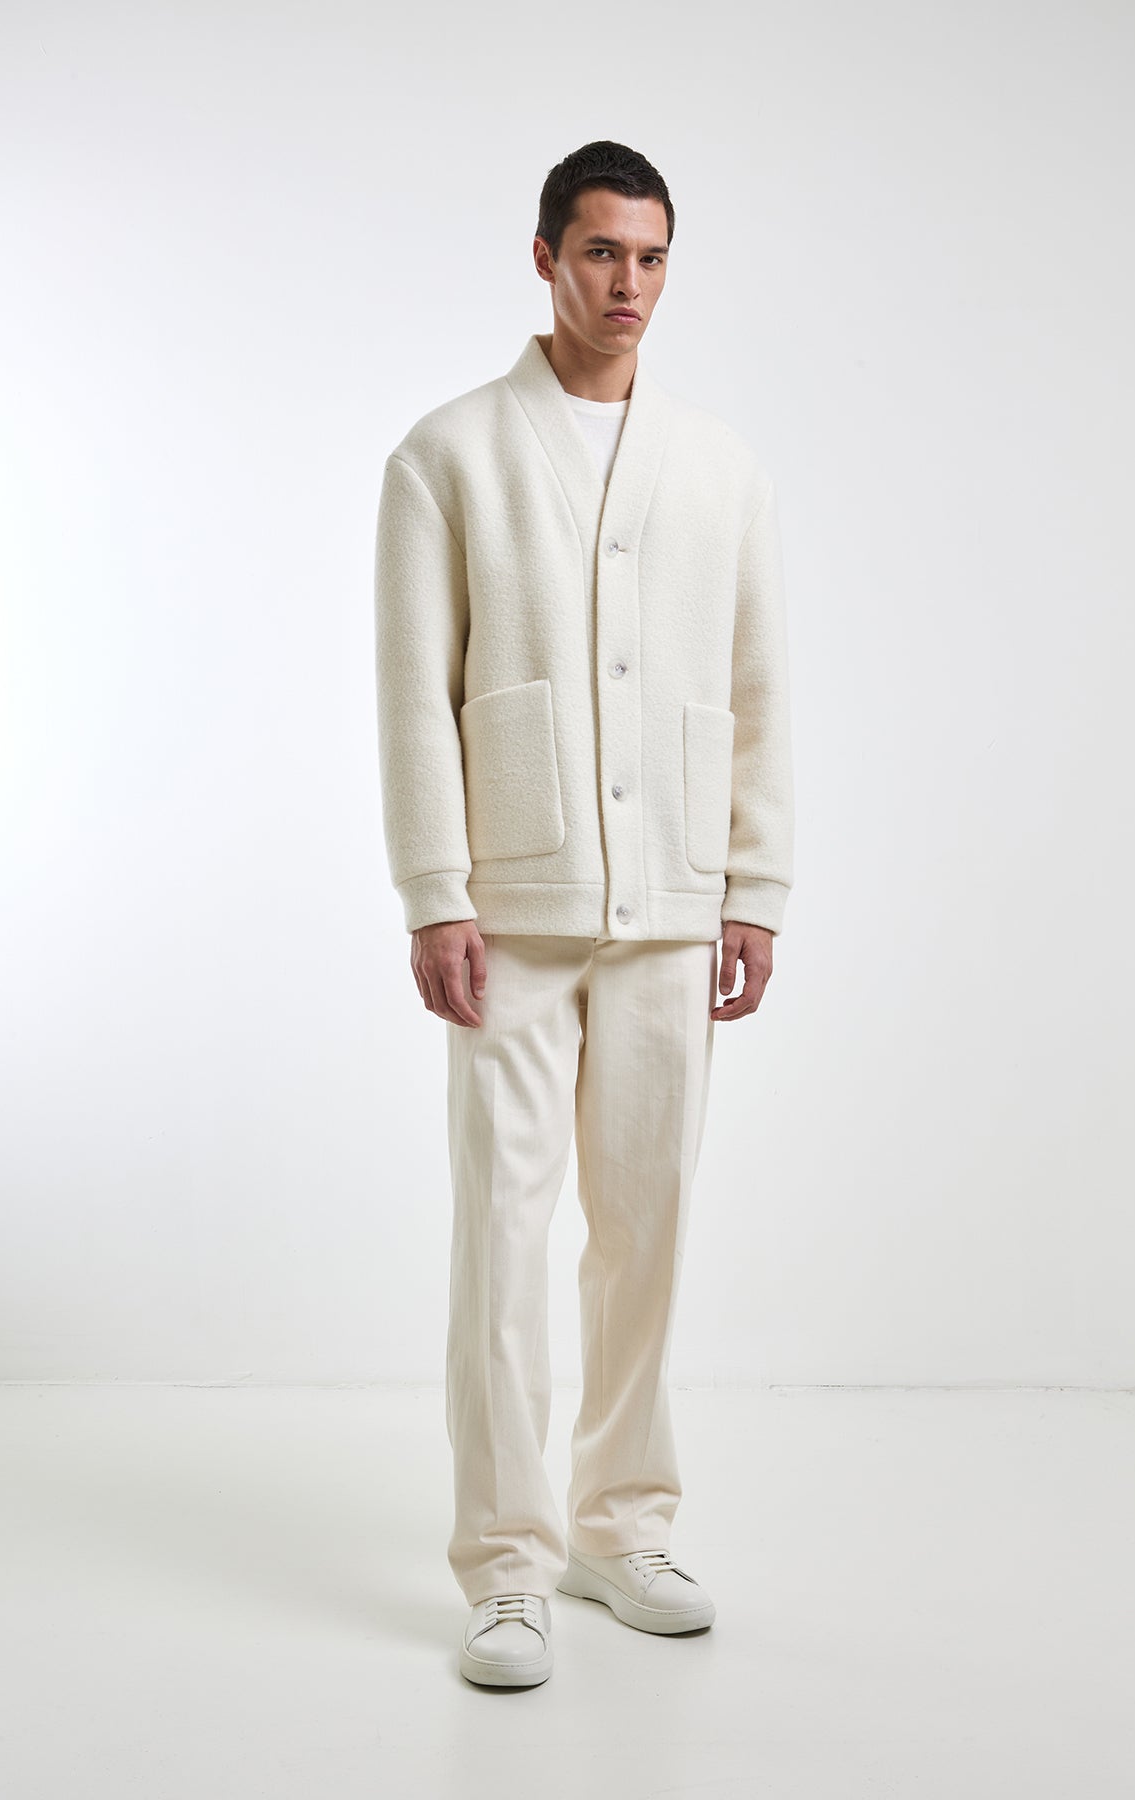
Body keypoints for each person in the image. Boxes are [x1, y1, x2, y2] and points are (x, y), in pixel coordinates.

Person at [373, 140, 794, 1687]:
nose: (629, 284)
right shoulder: (449, 456)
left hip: (675, 902)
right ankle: (506, 1564)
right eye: (602, 252)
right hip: (515, 907)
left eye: (653, 257)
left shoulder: (721, 467)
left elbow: (756, 689)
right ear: (545, 255)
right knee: (503, 1234)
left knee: (647, 1234)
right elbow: (414, 695)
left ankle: (621, 1528)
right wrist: (435, 892)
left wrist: (754, 884)